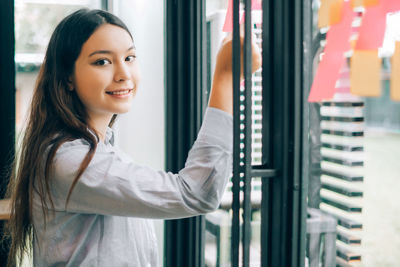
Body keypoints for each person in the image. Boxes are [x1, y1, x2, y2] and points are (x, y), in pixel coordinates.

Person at [5, 8, 261, 267]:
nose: (123, 74)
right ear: (68, 77)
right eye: (102, 61)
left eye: (129, 57)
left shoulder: (101, 152)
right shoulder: (70, 161)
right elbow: (198, 192)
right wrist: (225, 78)